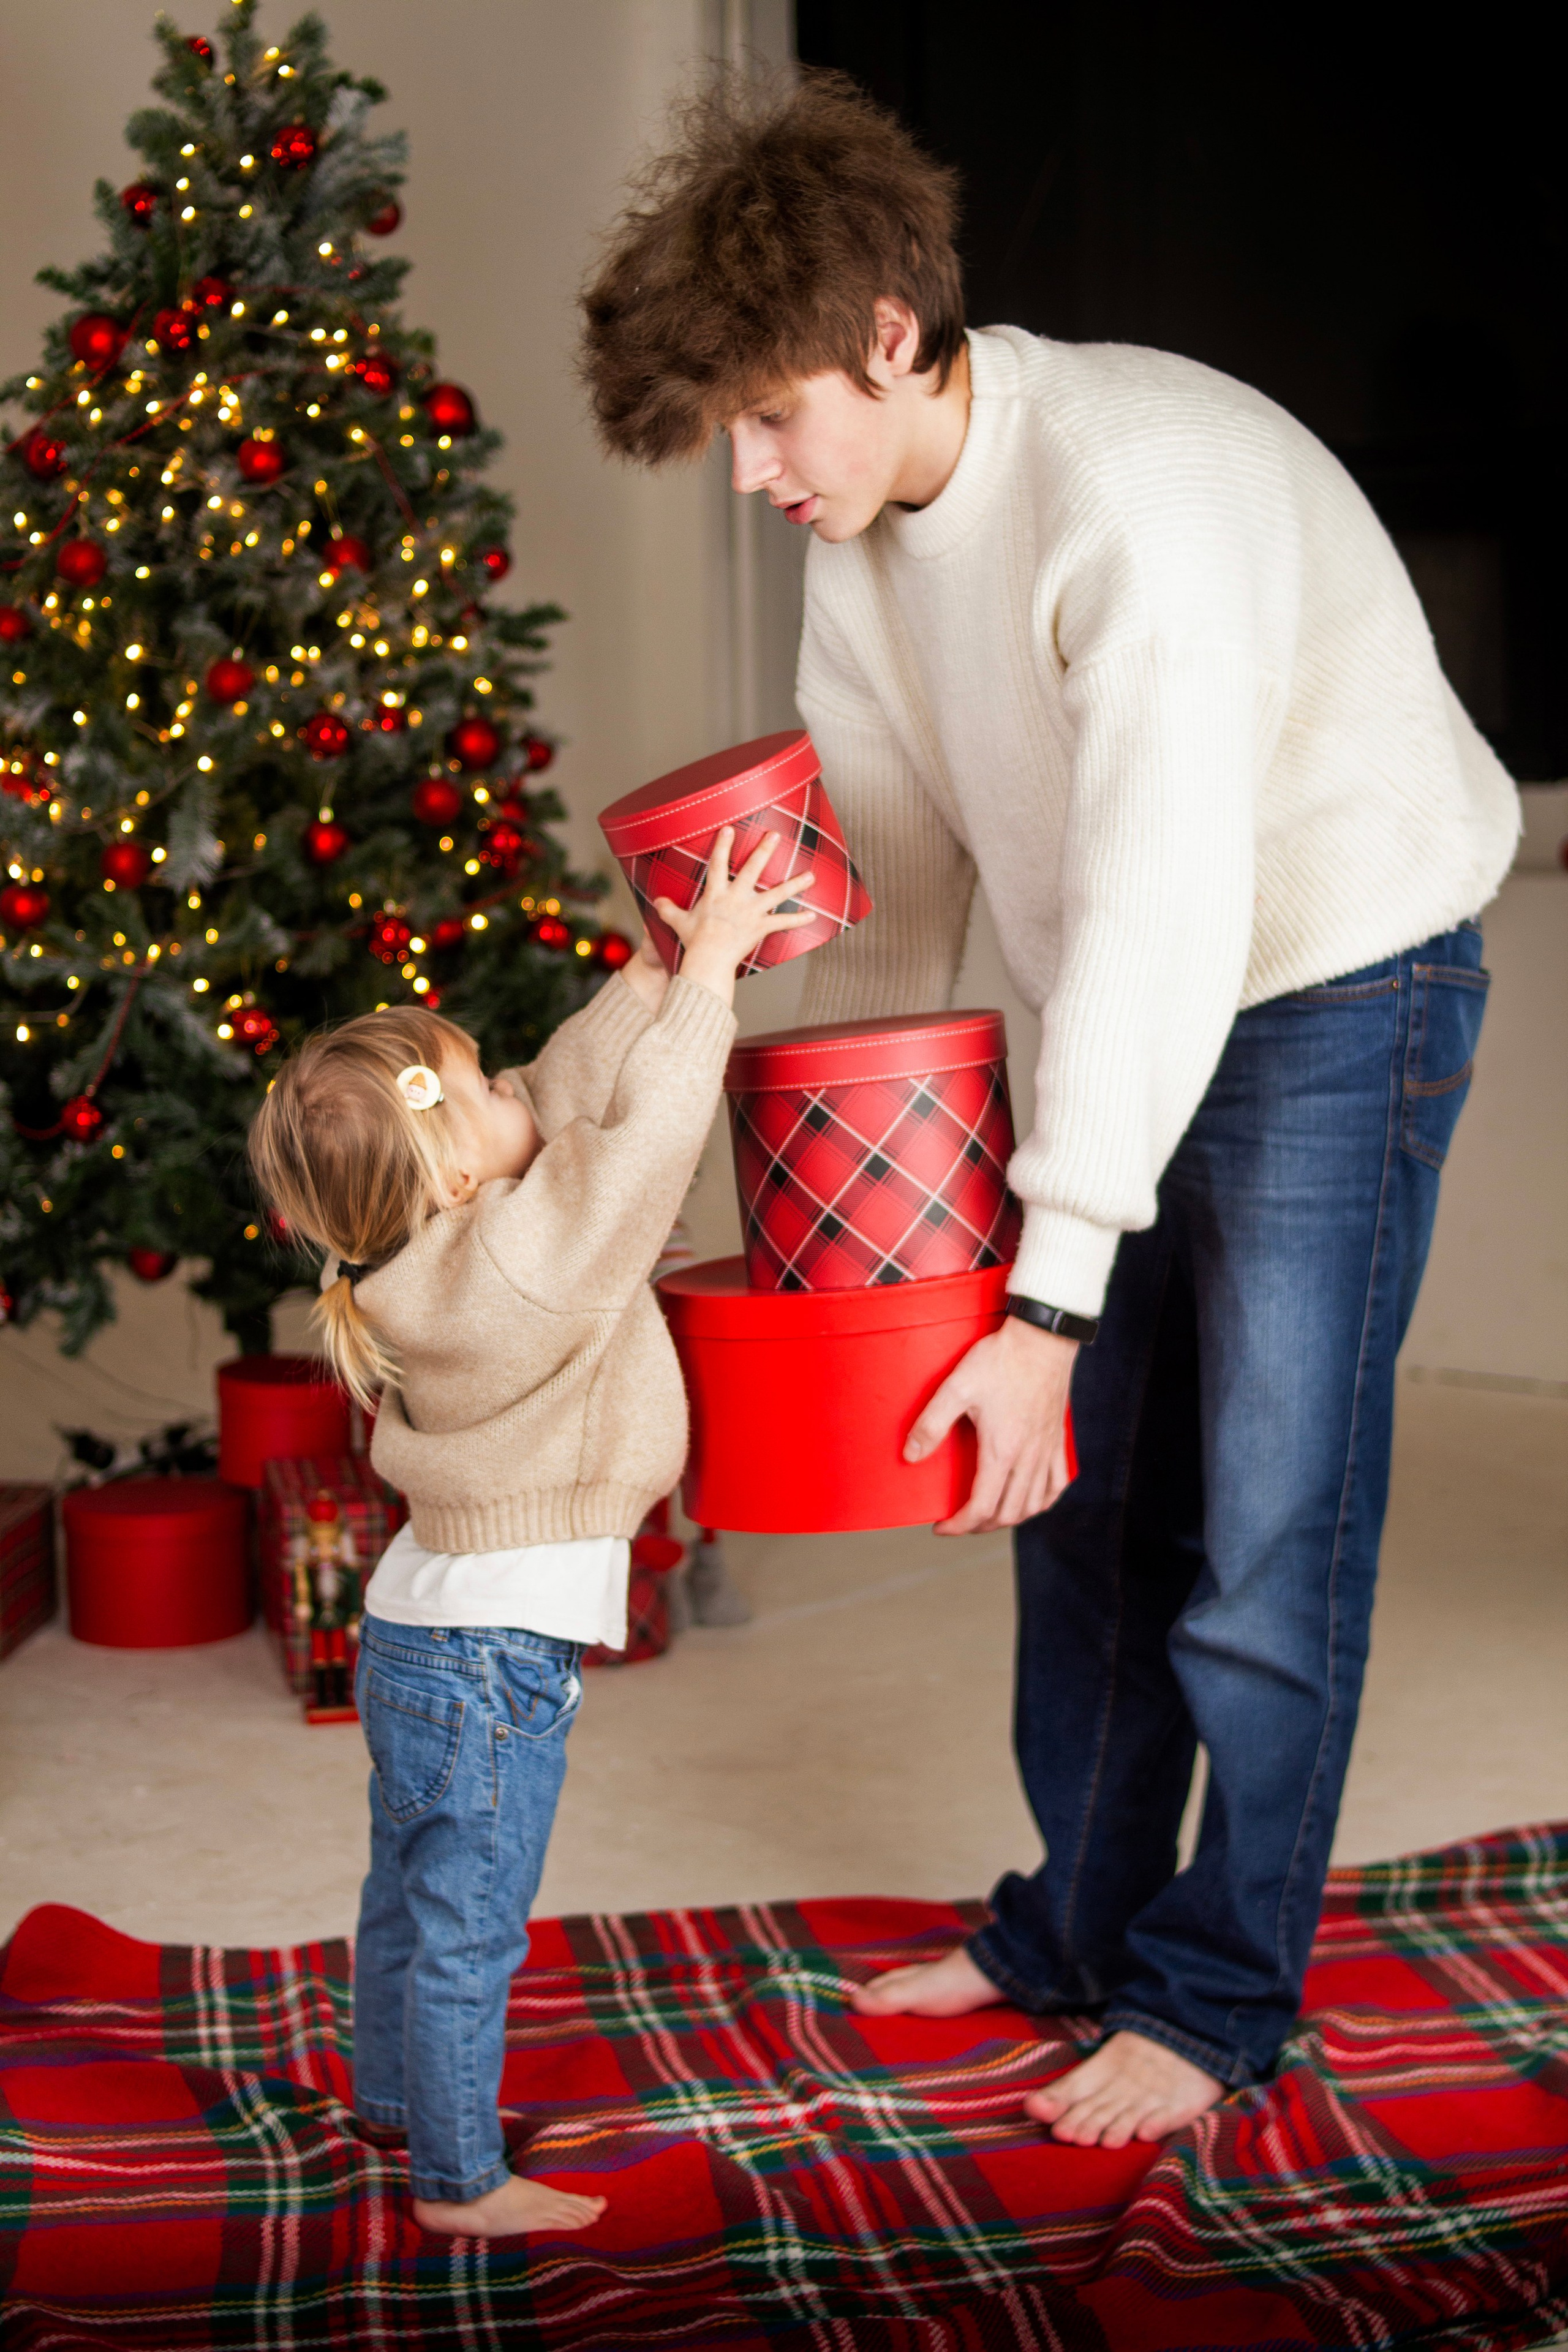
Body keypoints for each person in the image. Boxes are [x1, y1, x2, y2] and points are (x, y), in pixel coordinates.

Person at [579, 75, 1519, 2149]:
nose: (749, 470)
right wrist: (883, 1255)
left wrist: (1045, 1295)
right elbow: (901, 896)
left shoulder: (1136, 502)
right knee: (1079, 1502)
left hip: (1338, 979)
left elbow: (1167, 914)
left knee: (1262, 1524)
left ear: (888, 336)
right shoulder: (866, 540)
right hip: (1132, 980)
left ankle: (1215, 1997)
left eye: (769, 418)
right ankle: (1071, 1931)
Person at [247, 833, 814, 2237]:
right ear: (451, 1171)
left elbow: (553, 1097)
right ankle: (460, 2182)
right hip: (490, 1654)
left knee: (408, 1889)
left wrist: (652, 976)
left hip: (421, 1627)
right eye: (481, 1084)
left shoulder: (434, 1244)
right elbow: (637, 1149)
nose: (513, 1082)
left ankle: (396, 2100)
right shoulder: (519, 1255)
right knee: (471, 1920)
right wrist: (708, 987)